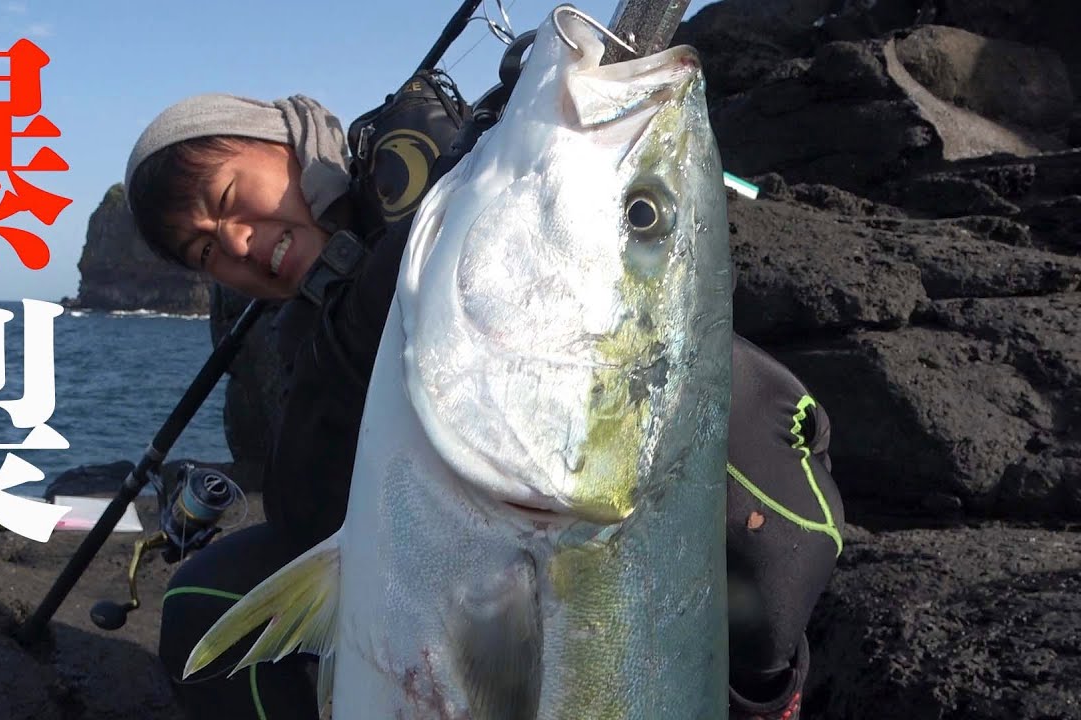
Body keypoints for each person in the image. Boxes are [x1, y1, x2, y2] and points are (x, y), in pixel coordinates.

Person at [125, 79, 844, 720]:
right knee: (201, 603)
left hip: (608, 547)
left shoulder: (456, 171)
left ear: (284, 141)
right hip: (458, 572)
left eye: (228, 200)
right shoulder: (299, 334)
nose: (238, 244)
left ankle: (758, 697)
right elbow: (303, 508)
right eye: (206, 253)